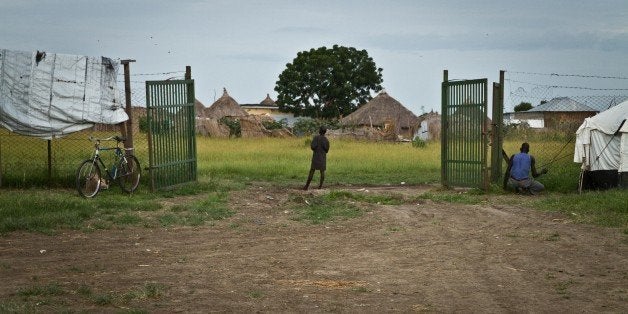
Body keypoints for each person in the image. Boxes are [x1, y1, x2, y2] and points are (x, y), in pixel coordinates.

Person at [303, 126, 330, 190]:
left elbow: (312, 147)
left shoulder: (316, 138)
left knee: (312, 171)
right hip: (322, 157)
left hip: (315, 157)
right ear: (325, 132)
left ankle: (306, 186)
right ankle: (320, 187)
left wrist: (316, 149)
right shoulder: (326, 140)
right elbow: (327, 150)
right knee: (322, 172)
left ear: (319, 131)